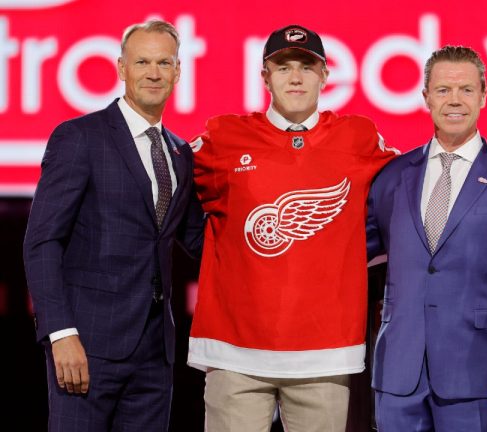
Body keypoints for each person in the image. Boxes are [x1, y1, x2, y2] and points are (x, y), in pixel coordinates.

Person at [187, 24, 399, 431]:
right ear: (265, 77)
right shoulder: (222, 136)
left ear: (325, 75)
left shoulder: (358, 136)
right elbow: (163, 184)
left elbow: (422, 176)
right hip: (235, 353)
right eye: (283, 67)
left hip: (324, 353)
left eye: (307, 66)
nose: (296, 77)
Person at [23, 20, 204, 431]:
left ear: (178, 72)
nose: (153, 73)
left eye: (164, 62)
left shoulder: (180, 152)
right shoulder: (79, 137)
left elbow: (199, 239)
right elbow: (42, 242)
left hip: (155, 353)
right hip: (86, 344)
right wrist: (60, 333)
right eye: (142, 61)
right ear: (121, 68)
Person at [366, 45, 487, 431]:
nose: (454, 100)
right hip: (399, 375)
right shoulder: (392, 177)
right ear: (426, 97)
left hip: (479, 377)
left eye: (466, 89)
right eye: (443, 90)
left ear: (483, 96)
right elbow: (357, 254)